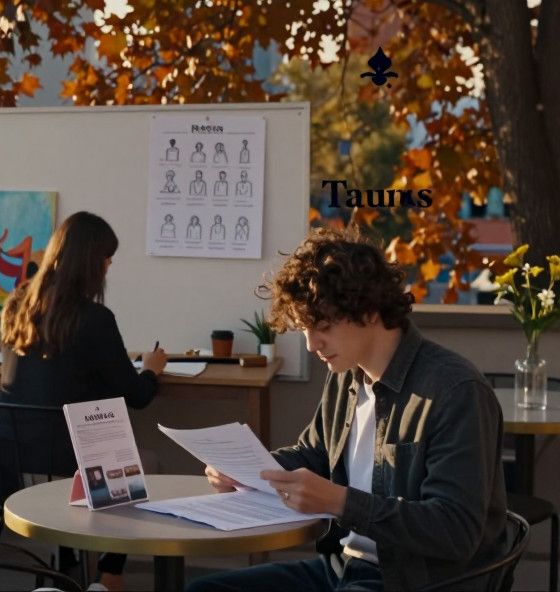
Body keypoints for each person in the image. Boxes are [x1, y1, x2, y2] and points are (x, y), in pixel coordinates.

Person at [188, 228, 507, 592]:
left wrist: (342, 502)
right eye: (304, 329)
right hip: (342, 570)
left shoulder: (454, 392)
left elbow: (455, 531)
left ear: (369, 311)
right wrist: (247, 471)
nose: (311, 345)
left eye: (322, 327)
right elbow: (316, 454)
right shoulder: (347, 375)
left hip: (413, 582)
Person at [0, 211, 168, 591]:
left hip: (15, 465)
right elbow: (138, 396)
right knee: (149, 462)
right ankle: (109, 575)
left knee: (80, 449)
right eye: (107, 259)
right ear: (91, 263)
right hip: (74, 471)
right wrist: (153, 369)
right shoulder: (95, 319)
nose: (109, 267)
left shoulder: (17, 306)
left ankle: (67, 564)